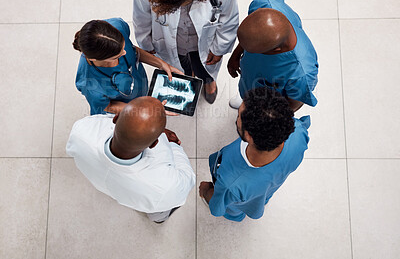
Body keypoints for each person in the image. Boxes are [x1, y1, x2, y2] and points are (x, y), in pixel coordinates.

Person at [133, 0, 239, 104]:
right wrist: (146, 43)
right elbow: (141, 16)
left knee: (204, 67)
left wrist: (220, 48)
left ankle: (209, 82)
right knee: (181, 67)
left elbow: (229, 20)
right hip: (170, 41)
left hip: (204, 42)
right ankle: (189, 80)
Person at [66, 96, 195, 223]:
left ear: (116, 118)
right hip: (149, 201)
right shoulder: (166, 188)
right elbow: (187, 178)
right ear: (154, 143)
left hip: (98, 179)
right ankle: (159, 219)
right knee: (158, 214)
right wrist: (173, 145)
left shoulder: (82, 131)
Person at [199, 87, 310, 222]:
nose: (237, 117)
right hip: (265, 188)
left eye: (238, 115)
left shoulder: (231, 183)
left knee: (234, 209)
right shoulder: (298, 134)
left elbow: (217, 208)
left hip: (238, 200)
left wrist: (206, 191)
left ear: (249, 136)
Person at [227, 0, 319, 112]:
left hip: (266, 104)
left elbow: (293, 105)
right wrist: (236, 55)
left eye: (255, 51)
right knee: (246, 91)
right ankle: (245, 100)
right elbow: (252, 35)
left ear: (276, 50)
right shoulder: (264, 4)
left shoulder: (300, 74)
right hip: (249, 80)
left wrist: (263, 117)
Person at [73, 17, 182, 115]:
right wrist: (141, 111)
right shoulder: (89, 82)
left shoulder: (117, 26)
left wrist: (161, 64)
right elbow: (108, 106)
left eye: (123, 48)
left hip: (137, 88)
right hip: (122, 110)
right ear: (94, 59)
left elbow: (133, 50)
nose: (125, 53)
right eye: (116, 57)